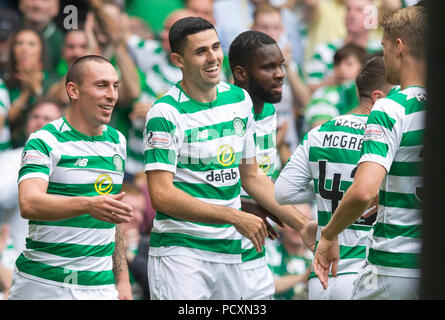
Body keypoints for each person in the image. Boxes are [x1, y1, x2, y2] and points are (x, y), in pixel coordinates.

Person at [144, 17, 313, 300]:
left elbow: (253, 178)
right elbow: (161, 195)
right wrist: (233, 215)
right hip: (182, 252)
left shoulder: (239, 100)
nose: (213, 58)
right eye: (201, 52)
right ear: (178, 59)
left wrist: (302, 225)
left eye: (215, 47)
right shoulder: (164, 113)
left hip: (230, 251)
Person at [312, 5, 426, 300]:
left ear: (399, 47)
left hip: (393, 267)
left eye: (384, 47)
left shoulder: (391, 106)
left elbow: (363, 191)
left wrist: (328, 234)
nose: (383, 54)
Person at [8, 55, 134, 300]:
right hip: (43, 283)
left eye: (115, 86)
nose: (112, 95)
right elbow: (30, 203)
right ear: (73, 90)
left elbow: (112, 216)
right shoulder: (45, 140)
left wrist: (123, 279)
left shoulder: (117, 141)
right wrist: (88, 204)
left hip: (99, 286)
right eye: (101, 85)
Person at [275, 56, 392, 299]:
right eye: (397, 96)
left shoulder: (321, 132)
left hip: (323, 272)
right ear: (379, 98)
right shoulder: (388, 139)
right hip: (368, 272)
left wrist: (323, 185)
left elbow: (283, 192)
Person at [229, 30, 314, 300]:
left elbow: (256, 178)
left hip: (255, 247)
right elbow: (199, 182)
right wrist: (238, 206)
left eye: (281, 65)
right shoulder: (219, 112)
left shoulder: (267, 111)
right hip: (212, 249)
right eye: (269, 67)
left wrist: (301, 224)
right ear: (241, 73)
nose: (280, 74)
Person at [0, 98, 65, 254]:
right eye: (35, 117)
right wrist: (34, 165)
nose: (39, 121)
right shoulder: (9, 158)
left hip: (53, 252)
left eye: (47, 119)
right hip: (14, 253)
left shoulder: (67, 161)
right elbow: (2, 197)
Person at [305, 0, 382, 93]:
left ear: (372, 19)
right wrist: (333, 80)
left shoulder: (381, 51)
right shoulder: (325, 50)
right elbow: (308, 91)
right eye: (348, 9)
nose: (351, 14)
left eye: (359, 10)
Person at [304, 43, 367, 130]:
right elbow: (321, 130)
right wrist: (364, 109)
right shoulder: (324, 94)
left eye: (349, 64)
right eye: (337, 64)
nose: (341, 69)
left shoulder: (372, 92)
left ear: (364, 67)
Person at [266, 203, 314, 300]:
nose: (298, 228)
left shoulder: (318, 255)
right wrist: (303, 278)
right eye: (292, 222)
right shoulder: (267, 252)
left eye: (305, 220)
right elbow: (263, 287)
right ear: (279, 225)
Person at [19, 0, 64, 73]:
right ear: (21, 3)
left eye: (45, 0)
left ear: (56, 7)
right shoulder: (7, 35)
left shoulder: (64, 42)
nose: (37, 5)